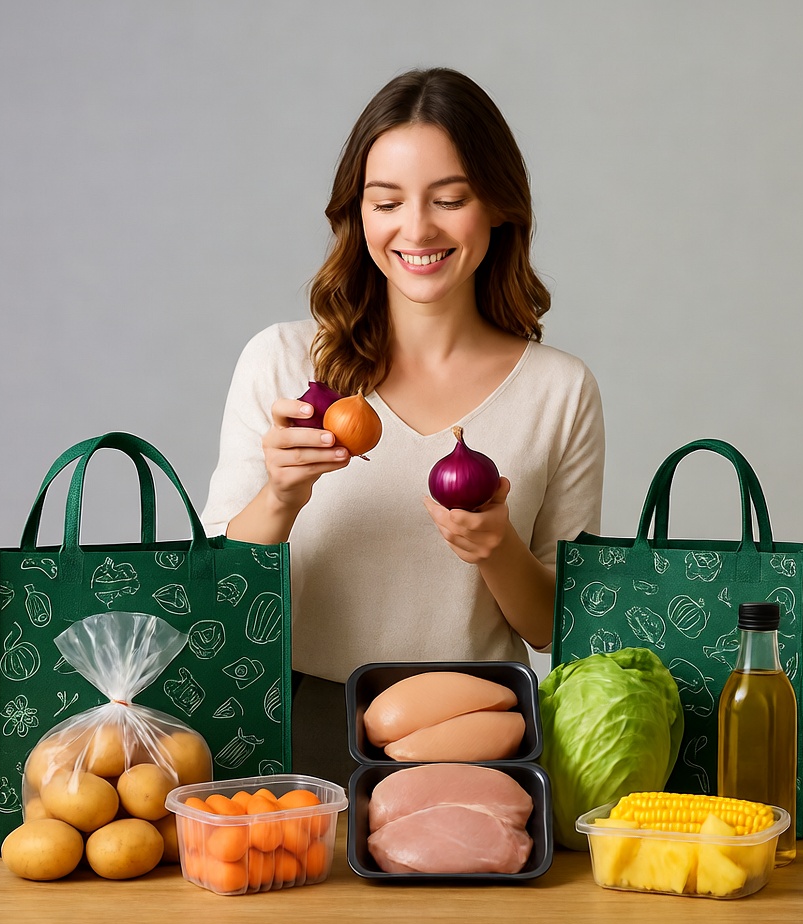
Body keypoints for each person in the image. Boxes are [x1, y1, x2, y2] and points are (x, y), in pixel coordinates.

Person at [201, 67, 605, 783]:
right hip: (298, 725)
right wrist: (281, 494)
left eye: (449, 200)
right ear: (357, 214)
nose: (417, 229)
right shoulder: (283, 364)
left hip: (478, 730)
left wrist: (496, 548)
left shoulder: (560, 390)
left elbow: (557, 630)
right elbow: (217, 595)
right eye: (387, 202)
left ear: (498, 207)